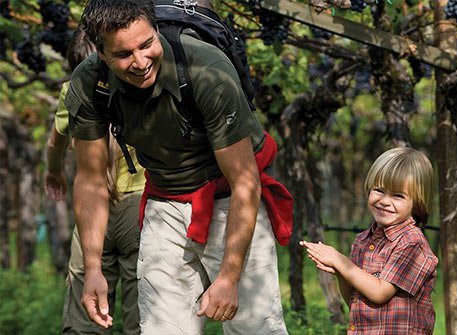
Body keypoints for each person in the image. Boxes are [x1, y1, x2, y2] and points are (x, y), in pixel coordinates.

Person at [65, 0, 293, 334]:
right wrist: (93, 268)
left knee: (255, 327)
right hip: (165, 199)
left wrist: (229, 276)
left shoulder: (207, 70)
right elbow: (91, 180)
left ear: (156, 29)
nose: (141, 62)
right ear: (100, 53)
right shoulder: (89, 83)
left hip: (231, 198)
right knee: (163, 328)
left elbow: (245, 183)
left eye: (147, 45)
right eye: (123, 54)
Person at [45, 26, 144, 335]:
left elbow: (54, 143)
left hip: (92, 211)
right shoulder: (138, 83)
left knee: (85, 315)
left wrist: (55, 171)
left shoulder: (71, 90)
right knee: (140, 317)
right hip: (139, 205)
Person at [301, 147, 438, 334]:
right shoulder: (363, 240)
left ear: (417, 202)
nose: (384, 201)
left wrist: (340, 261)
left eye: (398, 196)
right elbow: (353, 298)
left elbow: (380, 292)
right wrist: (341, 272)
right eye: (379, 190)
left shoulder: (412, 243)